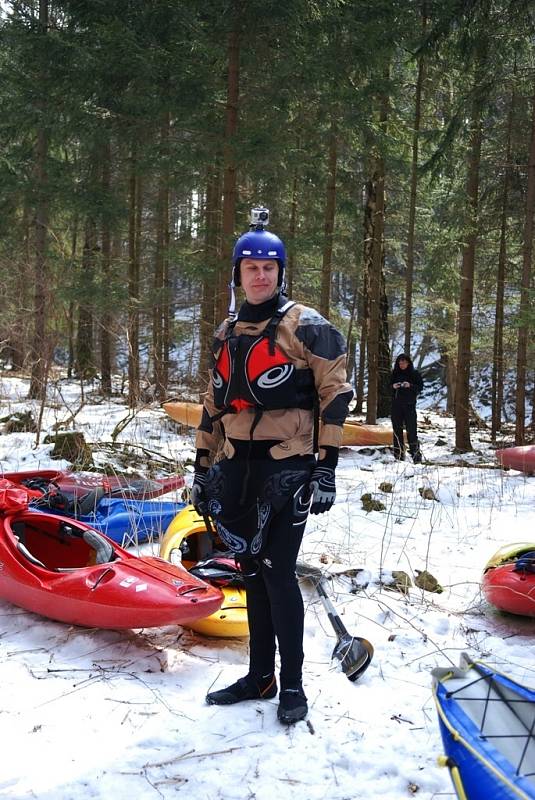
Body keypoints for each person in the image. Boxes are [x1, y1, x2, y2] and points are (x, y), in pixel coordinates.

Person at [191, 209, 353, 725]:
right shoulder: (227, 331)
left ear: (281, 272)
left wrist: (325, 468)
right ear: (237, 274)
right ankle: (260, 675)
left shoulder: (306, 325)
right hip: (239, 468)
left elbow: (336, 393)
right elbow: (212, 404)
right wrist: (201, 466)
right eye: (251, 267)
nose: (260, 275)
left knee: (279, 573)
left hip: (290, 468)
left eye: (269, 267)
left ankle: (293, 685)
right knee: (251, 573)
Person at [390, 353, 423, 463]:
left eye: (403, 363)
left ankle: (416, 456)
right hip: (396, 406)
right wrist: (393, 387)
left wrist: (410, 385)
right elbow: (387, 388)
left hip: (409, 406)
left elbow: (420, 387)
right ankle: (398, 456)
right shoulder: (394, 374)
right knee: (397, 431)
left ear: (408, 363)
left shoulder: (414, 374)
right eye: (399, 363)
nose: (401, 365)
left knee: (412, 431)